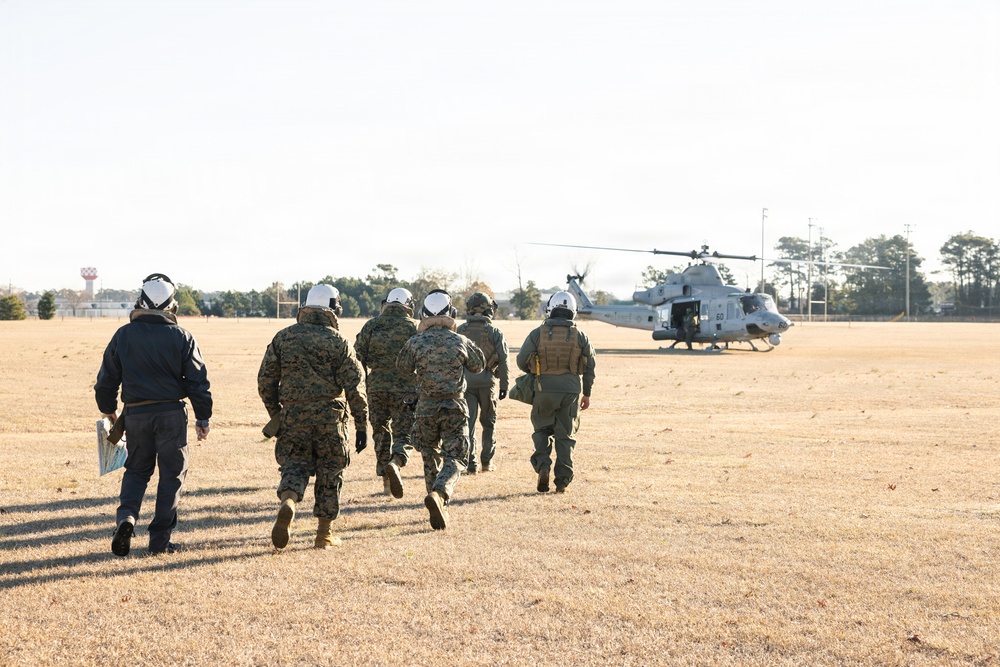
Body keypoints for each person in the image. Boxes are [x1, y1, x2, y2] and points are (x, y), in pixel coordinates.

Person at [94, 273, 212, 557]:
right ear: (172, 305)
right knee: (172, 476)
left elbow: (106, 381)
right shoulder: (183, 336)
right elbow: (198, 382)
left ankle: (127, 518)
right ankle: (159, 542)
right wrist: (203, 418)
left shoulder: (123, 335)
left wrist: (109, 410)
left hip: (135, 415)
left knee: (136, 471)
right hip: (171, 414)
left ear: (140, 302)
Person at [257, 284, 368, 549]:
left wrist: (276, 414)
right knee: (330, 472)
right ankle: (323, 535)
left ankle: (289, 501)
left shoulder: (283, 337)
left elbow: (265, 380)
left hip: (293, 417)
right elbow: (355, 386)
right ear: (334, 309)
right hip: (331, 418)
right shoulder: (339, 341)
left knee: (295, 465)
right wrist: (362, 424)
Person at [389, 289, 485, 530]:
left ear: (423, 314)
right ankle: (440, 494)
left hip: (425, 407)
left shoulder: (415, 342)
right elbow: (479, 365)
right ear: (451, 313)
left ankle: (435, 496)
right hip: (454, 405)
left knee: (429, 454)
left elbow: (402, 367)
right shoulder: (460, 340)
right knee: (457, 457)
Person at [515, 291, 596, 494]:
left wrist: (535, 372)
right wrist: (587, 393)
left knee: (542, 430)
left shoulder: (537, 334)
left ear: (550, 309)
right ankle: (562, 482)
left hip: (543, 389)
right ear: (573, 311)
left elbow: (521, 361)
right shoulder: (581, 336)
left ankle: (543, 465)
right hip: (571, 391)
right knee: (565, 436)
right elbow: (590, 367)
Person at [354, 287, 418, 497]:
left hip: (376, 387)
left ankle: (386, 483)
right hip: (406, 388)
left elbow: (357, 359)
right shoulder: (414, 327)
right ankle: (396, 462)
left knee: (380, 432)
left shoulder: (371, 325)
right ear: (409, 306)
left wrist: (364, 385)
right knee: (404, 433)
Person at [455, 292, 510, 473]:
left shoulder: (459, 330)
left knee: (467, 425)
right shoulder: (494, 332)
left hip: (465, 385)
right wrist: (504, 386)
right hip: (488, 384)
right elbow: (504, 360)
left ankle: (471, 464)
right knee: (489, 424)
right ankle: (486, 462)